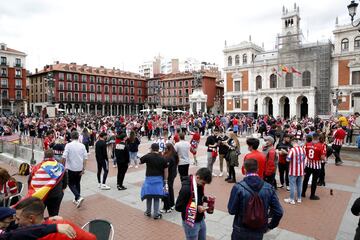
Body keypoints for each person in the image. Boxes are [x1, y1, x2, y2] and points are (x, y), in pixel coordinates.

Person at [228, 159, 283, 240]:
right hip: (258, 230)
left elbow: (231, 210)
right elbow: (279, 212)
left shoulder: (238, 187)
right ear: (257, 170)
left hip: (240, 229)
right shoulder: (268, 187)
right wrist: (270, 226)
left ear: (244, 169)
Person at [14, 197, 96, 240]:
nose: (16, 223)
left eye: (18, 219)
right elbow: (91, 238)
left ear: (31, 218)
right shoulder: (63, 225)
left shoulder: (24, 235)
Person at [175, 168, 213, 240]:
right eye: (203, 183)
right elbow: (178, 207)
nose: (204, 185)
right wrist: (196, 208)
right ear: (198, 177)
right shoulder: (186, 189)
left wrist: (206, 199)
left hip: (200, 219)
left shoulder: (198, 185)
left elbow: (197, 197)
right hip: (190, 221)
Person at [28, 150, 67, 217]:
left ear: (44, 156)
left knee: (38, 215)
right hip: (56, 195)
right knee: (54, 215)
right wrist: (62, 190)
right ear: (53, 156)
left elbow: (30, 181)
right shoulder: (60, 167)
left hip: (41, 195)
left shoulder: (37, 167)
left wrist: (31, 192)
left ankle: (41, 226)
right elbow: (65, 180)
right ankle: (52, 226)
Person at [0, 206, 77, 239]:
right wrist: (54, 227)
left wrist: (48, 219)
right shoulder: (6, 235)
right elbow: (18, 234)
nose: (14, 220)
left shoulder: (6, 226)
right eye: (10, 218)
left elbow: (16, 226)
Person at [140, 143, 169, 219]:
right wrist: (165, 180)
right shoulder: (163, 158)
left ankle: (148, 212)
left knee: (149, 196)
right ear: (158, 149)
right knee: (156, 197)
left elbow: (140, 161)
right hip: (159, 179)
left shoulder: (148, 156)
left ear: (152, 149)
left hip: (149, 179)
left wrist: (149, 153)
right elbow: (166, 170)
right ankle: (156, 214)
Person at [62, 131, 88, 208]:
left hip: (71, 168)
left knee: (70, 183)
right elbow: (85, 158)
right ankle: (77, 198)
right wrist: (83, 169)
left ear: (71, 137)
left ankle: (78, 197)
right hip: (79, 168)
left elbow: (64, 157)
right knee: (77, 183)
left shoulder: (68, 145)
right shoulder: (82, 145)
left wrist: (62, 167)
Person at [302, 133, 325, 200]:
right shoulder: (321, 146)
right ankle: (312, 195)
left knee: (305, 179)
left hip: (308, 165)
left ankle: (303, 193)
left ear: (312, 137)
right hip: (316, 166)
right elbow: (322, 157)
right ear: (318, 138)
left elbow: (304, 154)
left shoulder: (307, 144)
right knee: (314, 181)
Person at [284, 139, 307, 205]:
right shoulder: (303, 149)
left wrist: (288, 152)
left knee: (292, 185)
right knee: (299, 184)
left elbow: (287, 159)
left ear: (293, 143)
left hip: (293, 171)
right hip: (301, 170)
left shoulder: (292, 150)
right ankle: (299, 198)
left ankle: (291, 199)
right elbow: (305, 158)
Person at [161, 143, 178, 213]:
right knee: (170, 188)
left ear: (168, 149)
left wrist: (165, 178)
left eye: (165, 148)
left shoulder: (169, 157)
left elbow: (166, 169)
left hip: (168, 175)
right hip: (172, 174)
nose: (164, 149)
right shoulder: (173, 155)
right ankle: (172, 204)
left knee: (166, 190)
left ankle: (167, 207)